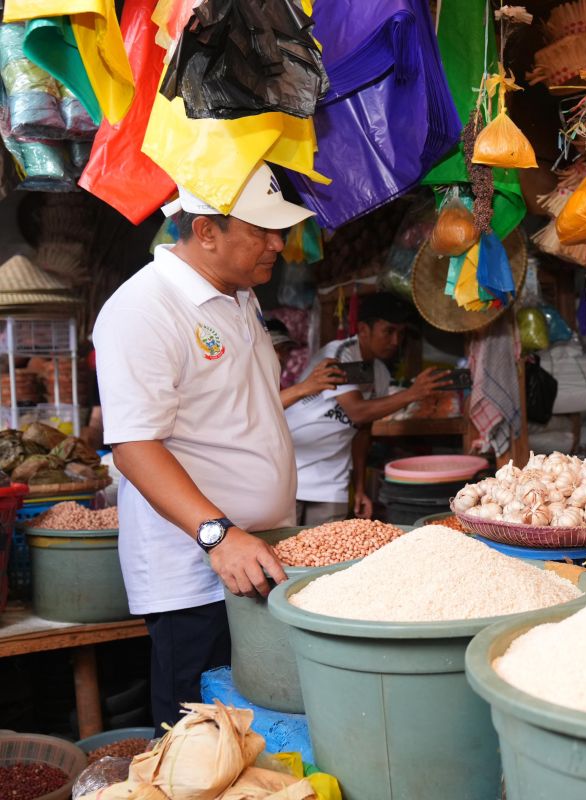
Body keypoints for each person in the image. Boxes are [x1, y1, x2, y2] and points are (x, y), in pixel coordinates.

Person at [93, 163, 310, 729]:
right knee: (199, 737)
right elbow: (134, 447)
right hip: (197, 573)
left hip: (259, 556)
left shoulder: (240, 295)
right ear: (206, 231)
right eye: (261, 231)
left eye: (278, 229)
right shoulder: (144, 308)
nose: (278, 243)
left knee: (257, 731)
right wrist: (218, 536)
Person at [286, 295, 451, 525]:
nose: (395, 340)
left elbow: (362, 430)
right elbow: (357, 411)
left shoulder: (380, 373)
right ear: (364, 329)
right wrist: (412, 393)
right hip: (291, 471)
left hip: (331, 483)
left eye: (401, 333)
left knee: (324, 554)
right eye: (389, 331)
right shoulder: (339, 353)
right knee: (283, 552)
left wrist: (360, 488)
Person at [265, 319, 344, 409]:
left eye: (284, 350)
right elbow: (258, 409)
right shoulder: (249, 380)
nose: (279, 356)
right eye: (272, 348)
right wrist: (303, 388)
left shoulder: (278, 387)